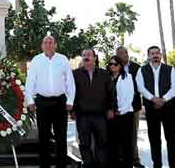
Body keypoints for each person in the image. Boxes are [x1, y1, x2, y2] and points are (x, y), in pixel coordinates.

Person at [25, 35, 76, 168]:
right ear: (42, 46)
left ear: (55, 45)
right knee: (44, 137)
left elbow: (70, 81)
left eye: (51, 42)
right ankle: (45, 165)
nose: (48, 44)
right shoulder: (36, 60)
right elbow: (30, 82)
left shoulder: (63, 59)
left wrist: (70, 100)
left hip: (60, 102)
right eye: (45, 42)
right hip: (42, 102)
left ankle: (61, 165)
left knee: (61, 137)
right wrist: (30, 100)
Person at [135, 45, 175, 168]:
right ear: (148, 56)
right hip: (151, 108)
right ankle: (157, 164)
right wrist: (153, 99)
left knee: (171, 138)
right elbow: (140, 87)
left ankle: (173, 165)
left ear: (160, 55)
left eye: (157, 53)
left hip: (168, 107)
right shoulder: (142, 70)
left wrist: (163, 99)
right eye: (152, 53)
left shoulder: (170, 69)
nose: (155, 55)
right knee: (154, 139)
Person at [72, 49, 115, 167]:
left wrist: (111, 108)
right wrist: (73, 110)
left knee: (102, 142)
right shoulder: (75, 74)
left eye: (89, 55)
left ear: (94, 58)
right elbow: (71, 93)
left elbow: (111, 92)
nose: (86, 57)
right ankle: (88, 165)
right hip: (82, 115)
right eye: (84, 55)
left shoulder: (104, 74)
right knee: (84, 143)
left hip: (100, 114)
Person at [115, 46, 145, 168]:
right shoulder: (113, 67)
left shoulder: (136, 68)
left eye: (124, 53)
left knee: (133, 133)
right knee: (120, 133)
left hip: (134, 107)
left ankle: (135, 159)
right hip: (119, 107)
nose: (123, 55)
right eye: (120, 53)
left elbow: (141, 86)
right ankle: (121, 158)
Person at [107, 55, 135, 168]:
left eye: (115, 64)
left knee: (126, 142)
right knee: (112, 142)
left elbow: (129, 95)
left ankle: (127, 164)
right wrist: (111, 110)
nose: (112, 66)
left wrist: (120, 110)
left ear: (120, 65)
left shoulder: (127, 77)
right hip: (111, 114)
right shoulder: (106, 77)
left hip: (125, 114)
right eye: (110, 64)